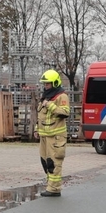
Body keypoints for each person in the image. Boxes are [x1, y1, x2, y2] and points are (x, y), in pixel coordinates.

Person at [36, 69, 71, 197]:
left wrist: (50, 105)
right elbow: (41, 116)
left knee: (54, 162)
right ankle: (50, 185)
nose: (46, 86)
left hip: (56, 137)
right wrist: (36, 129)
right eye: (44, 84)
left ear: (55, 83)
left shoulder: (62, 96)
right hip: (44, 136)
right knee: (45, 162)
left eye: (48, 83)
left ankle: (55, 189)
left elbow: (65, 112)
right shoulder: (45, 96)